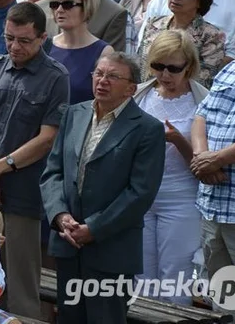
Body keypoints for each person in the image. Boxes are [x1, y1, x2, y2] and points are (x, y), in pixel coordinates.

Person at [40, 52, 165, 324]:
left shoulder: (148, 129)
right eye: (98, 73)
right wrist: (61, 216)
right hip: (69, 244)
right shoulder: (75, 113)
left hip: (112, 250)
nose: (102, 81)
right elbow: (53, 172)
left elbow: (140, 193)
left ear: (131, 89)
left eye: (113, 76)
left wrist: (94, 229)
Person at [0, 2, 69, 319]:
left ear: (41, 38)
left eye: (24, 40)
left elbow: (46, 138)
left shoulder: (55, 77)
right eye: (9, 38)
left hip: (22, 193)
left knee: (20, 285)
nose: (14, 46)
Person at [191, 2, 235, 322]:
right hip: (215, 203)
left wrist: (217, 158)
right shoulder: (232, 68)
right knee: (225, 303)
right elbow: (202, 116)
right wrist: (202, 158)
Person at [133, 30, 209, 306]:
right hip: (141, 195)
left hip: (182, 197)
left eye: (173, 68)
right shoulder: (140, 95)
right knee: (141, 279)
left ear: (189, 66)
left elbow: (205, 164)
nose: (164, 75)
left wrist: (178, 139)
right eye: (157, 66)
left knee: (176, 279)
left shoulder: (203, 100)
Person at [138, 0, 226, 87]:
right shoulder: (153, 24)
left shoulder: (211, 36)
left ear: (201, 1)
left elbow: (202, 82)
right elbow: (140, 68)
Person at [47, 0, 114, 103]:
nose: (59, 10)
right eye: (55, 5)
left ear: (87, 7)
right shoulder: (45, 46)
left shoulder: (104, 52)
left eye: (67, 5)